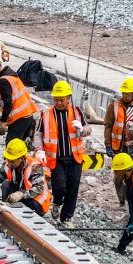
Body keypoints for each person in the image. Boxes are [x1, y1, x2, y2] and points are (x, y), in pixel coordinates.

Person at [33, 80, 90, 227]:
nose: (58, 103)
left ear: (68, 98)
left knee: (73, 189)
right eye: (56, 100)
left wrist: (82, 130)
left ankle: (66, 218)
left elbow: (88, 129)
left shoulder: (77, 112)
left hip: (75, 158)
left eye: (61, 100)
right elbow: (38, 133)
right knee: (59, 186)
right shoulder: (46, 114)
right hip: (56, 159)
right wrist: (39, 149)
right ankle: (57, 202)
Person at [0, 139, 51, 216]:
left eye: (12, 161)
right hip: (22, 196)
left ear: (22, 158)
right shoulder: (9, 163)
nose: (9, 163)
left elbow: (39, 188)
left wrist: (21, 194)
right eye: (8, 159)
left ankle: (21, 214)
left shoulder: (34, 166)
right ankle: (6, 209)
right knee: (6, 184)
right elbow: (0, 175)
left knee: (32, 203)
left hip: (37, 202)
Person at [0, 51, 38, 143]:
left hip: (20, 119)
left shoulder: (3, 80)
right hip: (28, 115)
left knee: (11, 147)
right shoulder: (10, 74)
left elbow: (8, 103)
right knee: (20, 147)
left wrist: (3, 121)